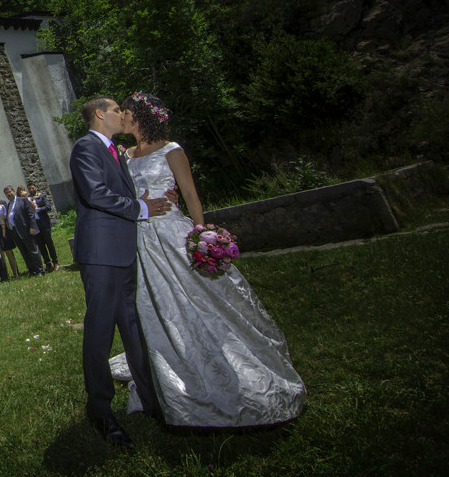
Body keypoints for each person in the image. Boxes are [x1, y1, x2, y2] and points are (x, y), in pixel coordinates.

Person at [112, 92, 306, 427]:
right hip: (141, 239)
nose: (123, 117)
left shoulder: (172, 150)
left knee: (202, 299)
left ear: (141, 115)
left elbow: (189, 194)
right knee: (155, 306)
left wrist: (201, 236)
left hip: (172, 233)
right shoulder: (125, 156)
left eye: (126, 112)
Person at [69, 95, 171, 449]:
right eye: (116, 110)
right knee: (100, 330)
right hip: (101, 253)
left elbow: (116, 190)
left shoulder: (115, 151)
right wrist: (141, 207)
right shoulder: (86, 148)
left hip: (124, 251)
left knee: (132, 326)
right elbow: (96, 194)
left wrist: (146, 197)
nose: (122, 115)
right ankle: (100, 410)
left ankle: (150, 400)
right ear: (100, 114)